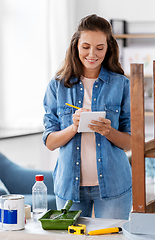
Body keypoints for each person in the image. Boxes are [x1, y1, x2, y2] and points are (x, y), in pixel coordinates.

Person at [42, 14, 132, 219]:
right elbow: (50, 142)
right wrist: (73, 127)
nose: (92, 54)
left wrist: (108, 131)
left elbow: (131, 143)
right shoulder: (58, 86)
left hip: (114, 185)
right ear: (76, 46)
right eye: (86, 46)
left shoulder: (122, 85)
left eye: (100, 48)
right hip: (69, 188)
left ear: (108, 48)